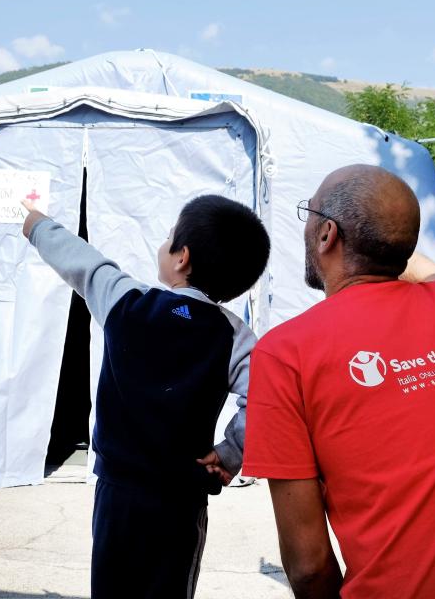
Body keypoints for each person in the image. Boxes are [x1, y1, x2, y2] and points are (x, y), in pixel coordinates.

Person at [242, 165, 435, 598]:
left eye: (308, 214)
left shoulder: (285, 353)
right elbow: (416, 261)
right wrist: (383, 229)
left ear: (327, 233)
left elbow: (309, 567)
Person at [21, 194, 270, 598]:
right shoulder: (234, 336)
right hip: (181, 499)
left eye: (170, 236)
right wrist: (230, 452)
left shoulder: (127, 302)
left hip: (117, 494)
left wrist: (37, 225)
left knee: (112, 587)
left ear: (181, 258)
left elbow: (82, 261)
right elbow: (267, 400)